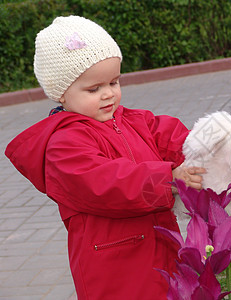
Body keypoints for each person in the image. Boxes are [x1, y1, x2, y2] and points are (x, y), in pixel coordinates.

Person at [5, 15, 205, 299]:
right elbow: (107, 183)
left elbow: (171, 136)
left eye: (114, 82)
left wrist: (208, 147)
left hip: (160, 248)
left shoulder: (131, 120)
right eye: (94, 89)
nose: (108, 94)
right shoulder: (63, 145)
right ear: (61, 94)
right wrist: (168, 178)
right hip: (115, 268)